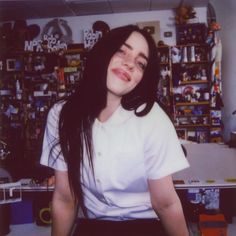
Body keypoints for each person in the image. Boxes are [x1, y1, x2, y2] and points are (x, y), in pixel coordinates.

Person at [40, 24, 190, 236]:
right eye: (121, 50)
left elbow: (165, 203)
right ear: (103, 52)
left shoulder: (152, 118)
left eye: (140, 63)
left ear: (142, 77)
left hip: (145, 226)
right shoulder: (62, 114)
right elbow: (65, 197)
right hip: (94, 226)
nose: (129, 64)